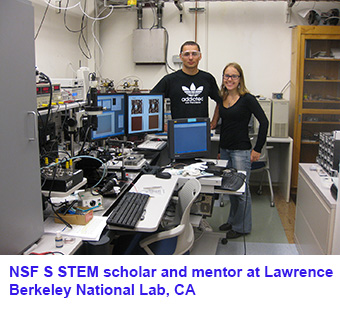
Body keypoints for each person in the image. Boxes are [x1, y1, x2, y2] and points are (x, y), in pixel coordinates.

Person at [218, 62, 269, 239]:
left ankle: (242, 228)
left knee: (241, 191)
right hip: (225, 150)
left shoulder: (248, 99)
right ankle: (232, 221)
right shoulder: (222, 98)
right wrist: (219, 150)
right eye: (227, 75)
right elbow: (223, 126)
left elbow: (264, 122)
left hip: (241, 151)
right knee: (230, 190)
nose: (229, 79)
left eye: (233, 76)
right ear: (223, 78)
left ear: (240, 79)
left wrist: (257, 149)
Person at [151, 41, 221, 129]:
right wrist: (161, 124)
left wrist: (214, 122)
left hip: (201, 130)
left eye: (194, 54)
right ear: (181, 57)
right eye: (187, 54)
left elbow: (220, 101)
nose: (191, 58)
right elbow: (151, 100)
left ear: (200, 56)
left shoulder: (207, 78)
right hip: (178, 130)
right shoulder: (170, 80)